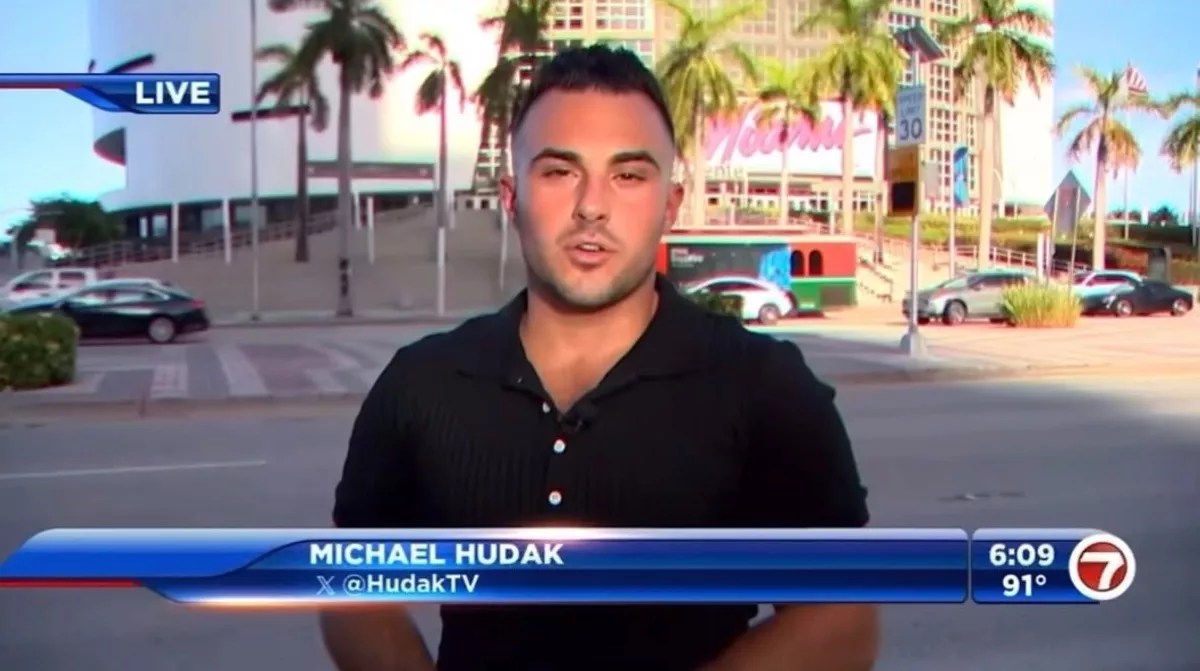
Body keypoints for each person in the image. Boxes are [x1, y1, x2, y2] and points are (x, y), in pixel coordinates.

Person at [320, 44, 877, 671]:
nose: (592, 205)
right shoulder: (423, 384)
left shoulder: (764, 388)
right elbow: (348, 580)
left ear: (669, 204)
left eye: (629, 175)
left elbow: (843, 615)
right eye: (559, 171)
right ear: (511, 196)